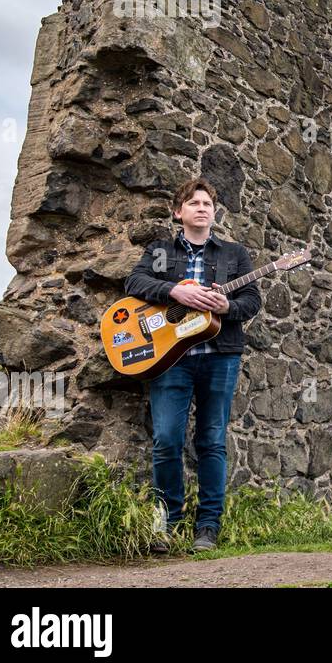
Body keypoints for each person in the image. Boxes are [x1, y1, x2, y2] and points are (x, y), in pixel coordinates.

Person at [123, 177, 261, 554]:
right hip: (170, 359)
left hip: (220, 357)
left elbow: (252, 301)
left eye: (208, 204)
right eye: (195, 203)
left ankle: (208, 527)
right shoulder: (161, 251)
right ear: (178, 211)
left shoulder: (234, 254)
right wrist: (173, 290)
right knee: (167, 440)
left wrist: (228, 307)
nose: (203, 208)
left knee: (211, 441)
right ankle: (166, 523)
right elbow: (133, 281)